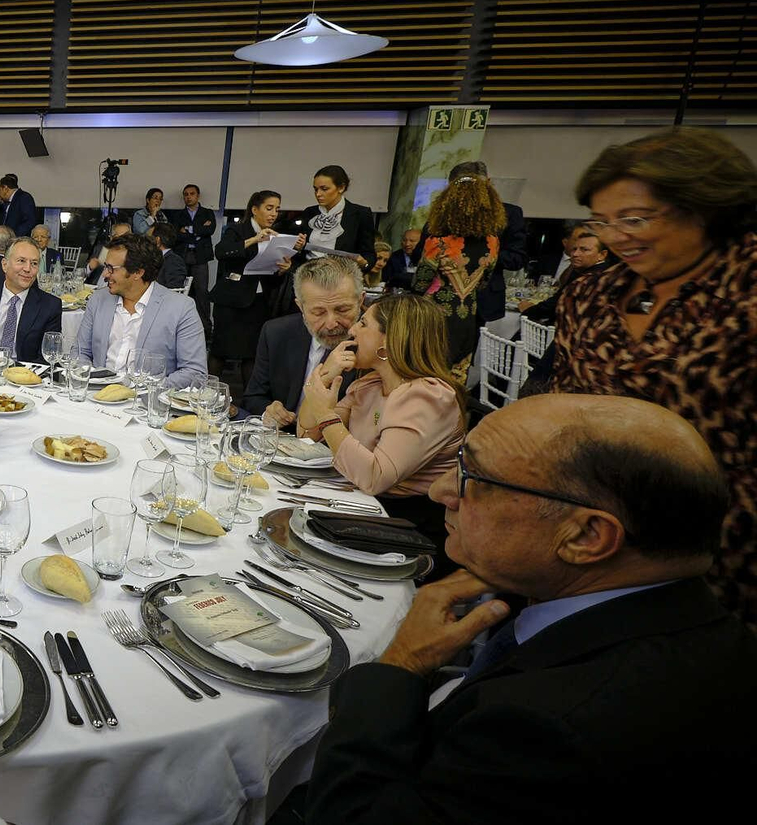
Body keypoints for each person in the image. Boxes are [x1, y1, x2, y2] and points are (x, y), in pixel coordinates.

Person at [305, 394, 757, 825]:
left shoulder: (555, 730)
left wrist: (402, 665)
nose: (441, 490)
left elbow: (349, 813)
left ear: (586, 538)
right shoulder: (684, 619)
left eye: (474, 478)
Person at [551, 126, 757, 626]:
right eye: (602, 221)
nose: (614, 235)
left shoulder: (746, 295)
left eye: (634, 218)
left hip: (725, 551)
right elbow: (563, 404)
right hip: (591, 540)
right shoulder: (590, 295)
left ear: (704, 209)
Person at [298, 293, 465, 544]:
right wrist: (324, 376)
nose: (352, 329)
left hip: (407, 527)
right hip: (362, 504)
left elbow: (374, 478)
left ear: (388, 342)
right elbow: (308, 434)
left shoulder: (428, 398)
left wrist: (325, 414)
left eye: (363, 324)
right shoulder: (369, 385)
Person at [243, 256, 364, 430]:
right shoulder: (277, 333)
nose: (331, 323)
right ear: (300, 307)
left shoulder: (372, 346)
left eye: (342, 310)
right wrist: (269, 412)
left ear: (360, 301)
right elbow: (253, 397)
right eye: (318, 312)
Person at [74, 233, 206, 388]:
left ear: (138, 272)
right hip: (96, 396)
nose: (105, 274)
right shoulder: (98, 299)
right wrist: (89, 379)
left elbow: (194, 372)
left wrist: (145, 389)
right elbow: (80, 351)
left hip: (147, 403)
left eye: (111, 268)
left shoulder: (181, 308)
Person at [412, 174, 505, 379]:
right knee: (456, 377)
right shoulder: (492, 243)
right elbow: (483, 283)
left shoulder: (439, 242)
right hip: (467, 319)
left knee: (426, 374)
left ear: (447, 206)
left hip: (434, 318)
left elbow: (420, 283)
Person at [213, 190, 285, 392]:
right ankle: (206, 393)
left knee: (251, 353)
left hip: (258, 301)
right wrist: (254, 239)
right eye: (269, 208)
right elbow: (221, 252)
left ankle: (250, 400)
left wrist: (283, 269)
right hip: (231, 300)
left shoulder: (276, 236)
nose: (273, 214)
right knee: (220, 351)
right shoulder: (237, 230)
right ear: (255, 210)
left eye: (277, 209)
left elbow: (271, 272)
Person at [0, 237, 62, 364]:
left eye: (34, 263)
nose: (27, 269)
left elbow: (49, 356)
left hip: (24, 376)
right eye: (21, 261)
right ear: (5, 265)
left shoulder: (50, 306)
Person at [449, 160, 527, 325]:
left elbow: (517, 258)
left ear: (488, 183)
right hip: (445, 295)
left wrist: (483, 255)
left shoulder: (509, 214)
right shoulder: (443, 216)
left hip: (483, 298)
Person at [289, 164, 379, 271]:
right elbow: (298, 253)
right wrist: (298, 248)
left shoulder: (360, 214)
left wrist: (364, 263)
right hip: (308, 275)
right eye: (315, 189)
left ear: (341, 187)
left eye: (324, 189)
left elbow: (368, 253)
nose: (318, 194)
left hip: (341, 277)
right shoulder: (309, 212)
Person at [517, 230, 612, 323]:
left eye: (584, 250)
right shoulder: (585, 272)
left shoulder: (591, 278)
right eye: (574, 249)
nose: (575, 254)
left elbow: (557, 304)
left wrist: (529, 310)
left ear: (602, 255)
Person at [173, 184, 216, 329]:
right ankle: (180, 325)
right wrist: (198, 232)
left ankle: (205, 327)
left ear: (198, 196)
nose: (188, 197)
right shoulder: (178, 215)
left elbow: (210, 229)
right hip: (182, 256)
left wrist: (188, 230)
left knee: (201, 292)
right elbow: (176, 236)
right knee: (181, 291)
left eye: (191, 194)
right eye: (186, 194)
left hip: (200, 257)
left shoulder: (207, 212)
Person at [150, 222, 188, 289]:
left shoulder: (174, 261)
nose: (147, 242)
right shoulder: (152, 259)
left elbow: (174, 288)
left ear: (157, 240)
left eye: (150, 238)